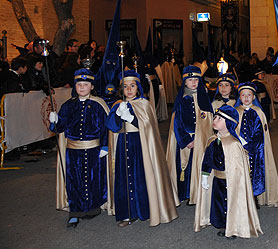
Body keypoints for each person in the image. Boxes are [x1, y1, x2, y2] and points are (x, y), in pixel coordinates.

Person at [106, 70, 178, 227]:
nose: (129, 90)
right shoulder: (118, 105)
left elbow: (149, 127)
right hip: (122, 145)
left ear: (138, 87)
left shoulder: (144, 104)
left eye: (132, 86)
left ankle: (144, 210)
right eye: (125, 87)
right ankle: (127, 213)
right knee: (124, 178)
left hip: (140, 146)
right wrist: (118, 115)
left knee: (140, 178)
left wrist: (131, 118)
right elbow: (111, 126)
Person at [49, 69, 110, 228]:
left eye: (86, 84)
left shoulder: (98, 105)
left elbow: (105, 127)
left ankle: (92, 206)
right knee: (73, 180)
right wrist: (54, 122)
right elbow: (59, 128)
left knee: (93, 179)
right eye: (79, 84)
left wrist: (105, 145)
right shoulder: (68, 106)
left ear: (91, 86)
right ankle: (75, 211)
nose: (82, 87)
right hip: (73, 152)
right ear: (75, 87)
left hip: (93, 150)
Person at [194, 105, 263, 237]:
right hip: (217, 181)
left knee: (232, 203)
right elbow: (207, 161)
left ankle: (235, 227)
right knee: (219, 204)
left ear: (228, 123)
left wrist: (238, 180)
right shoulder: (212, 141)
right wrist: (204, 177)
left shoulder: (234, 143)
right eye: (215, 117)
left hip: (232, 181)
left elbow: (239, 166)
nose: (215, 120)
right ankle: (223, 225)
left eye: (220, 118)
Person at [166, 65, 213, 204]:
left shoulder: (204, 98)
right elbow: (177, 123)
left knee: (199, 166)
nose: (193, 82)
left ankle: (197, 193)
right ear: (184, 82)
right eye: (190, 80)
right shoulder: (182, 100)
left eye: (196, 80)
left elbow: (209, 121)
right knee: (185, 169)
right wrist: (186, 140)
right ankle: (185, 193)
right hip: (187, 141)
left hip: (201, 139)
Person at [234, 82, 278, 206]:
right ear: (239, 97)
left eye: (248, 95)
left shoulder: (258, 112)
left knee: (256, 173)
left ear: (254, 97)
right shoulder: (236, 112)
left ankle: (256, 197)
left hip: (256, 149)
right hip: (239, 149)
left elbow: (261, 132)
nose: (246, 98)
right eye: (243, 95)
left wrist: (251, 146)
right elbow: (232, 130)